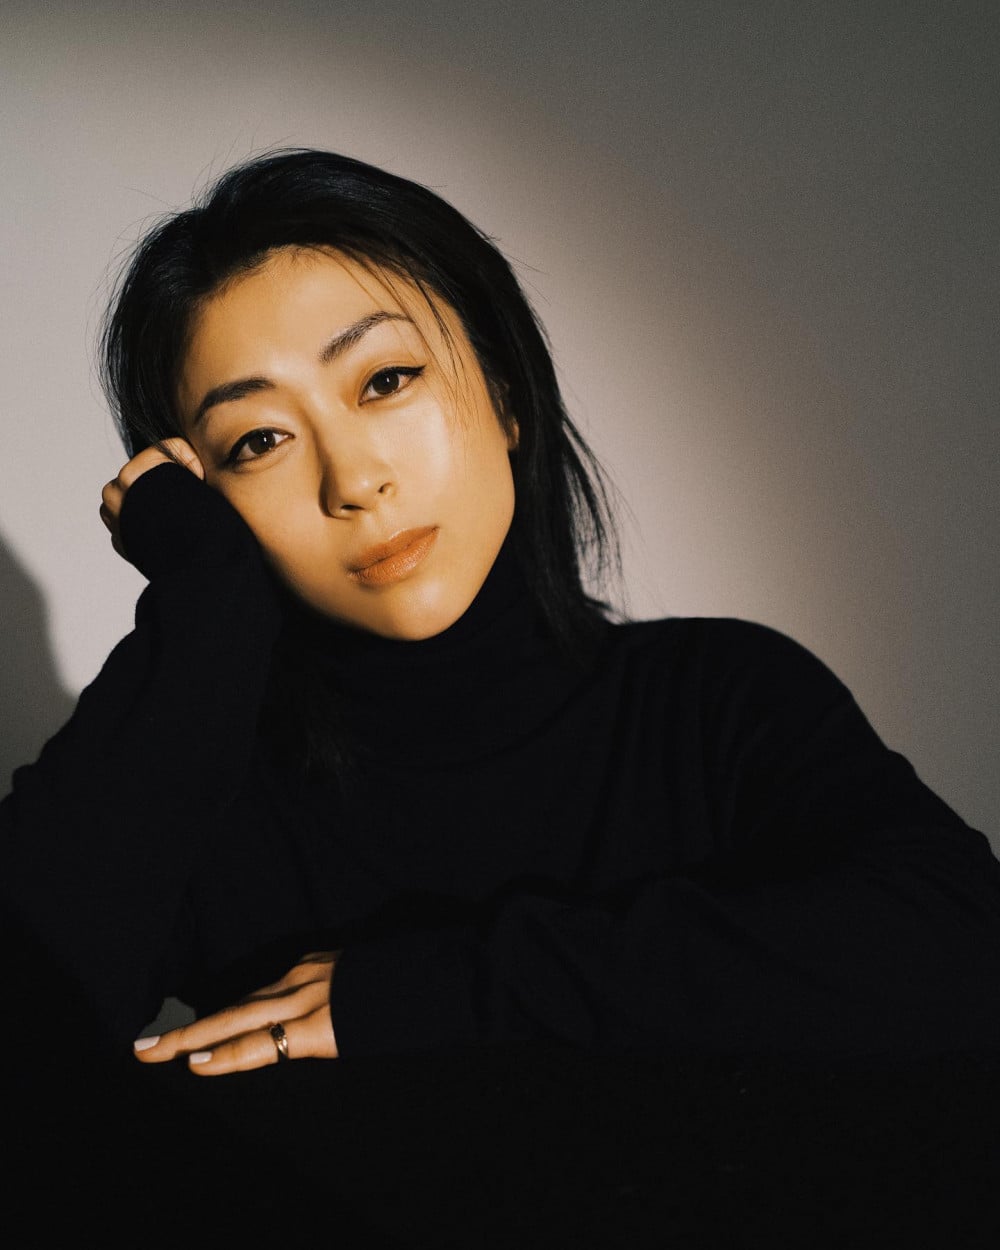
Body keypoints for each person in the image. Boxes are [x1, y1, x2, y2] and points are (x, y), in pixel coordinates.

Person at [2, 147, 999, 1243]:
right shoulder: (210, 799)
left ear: (507, 397)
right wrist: (206, 612)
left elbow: (963, 950)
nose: (354, 481)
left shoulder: (714, 703)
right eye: (258, 441)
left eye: (385, 381)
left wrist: (437, 989)